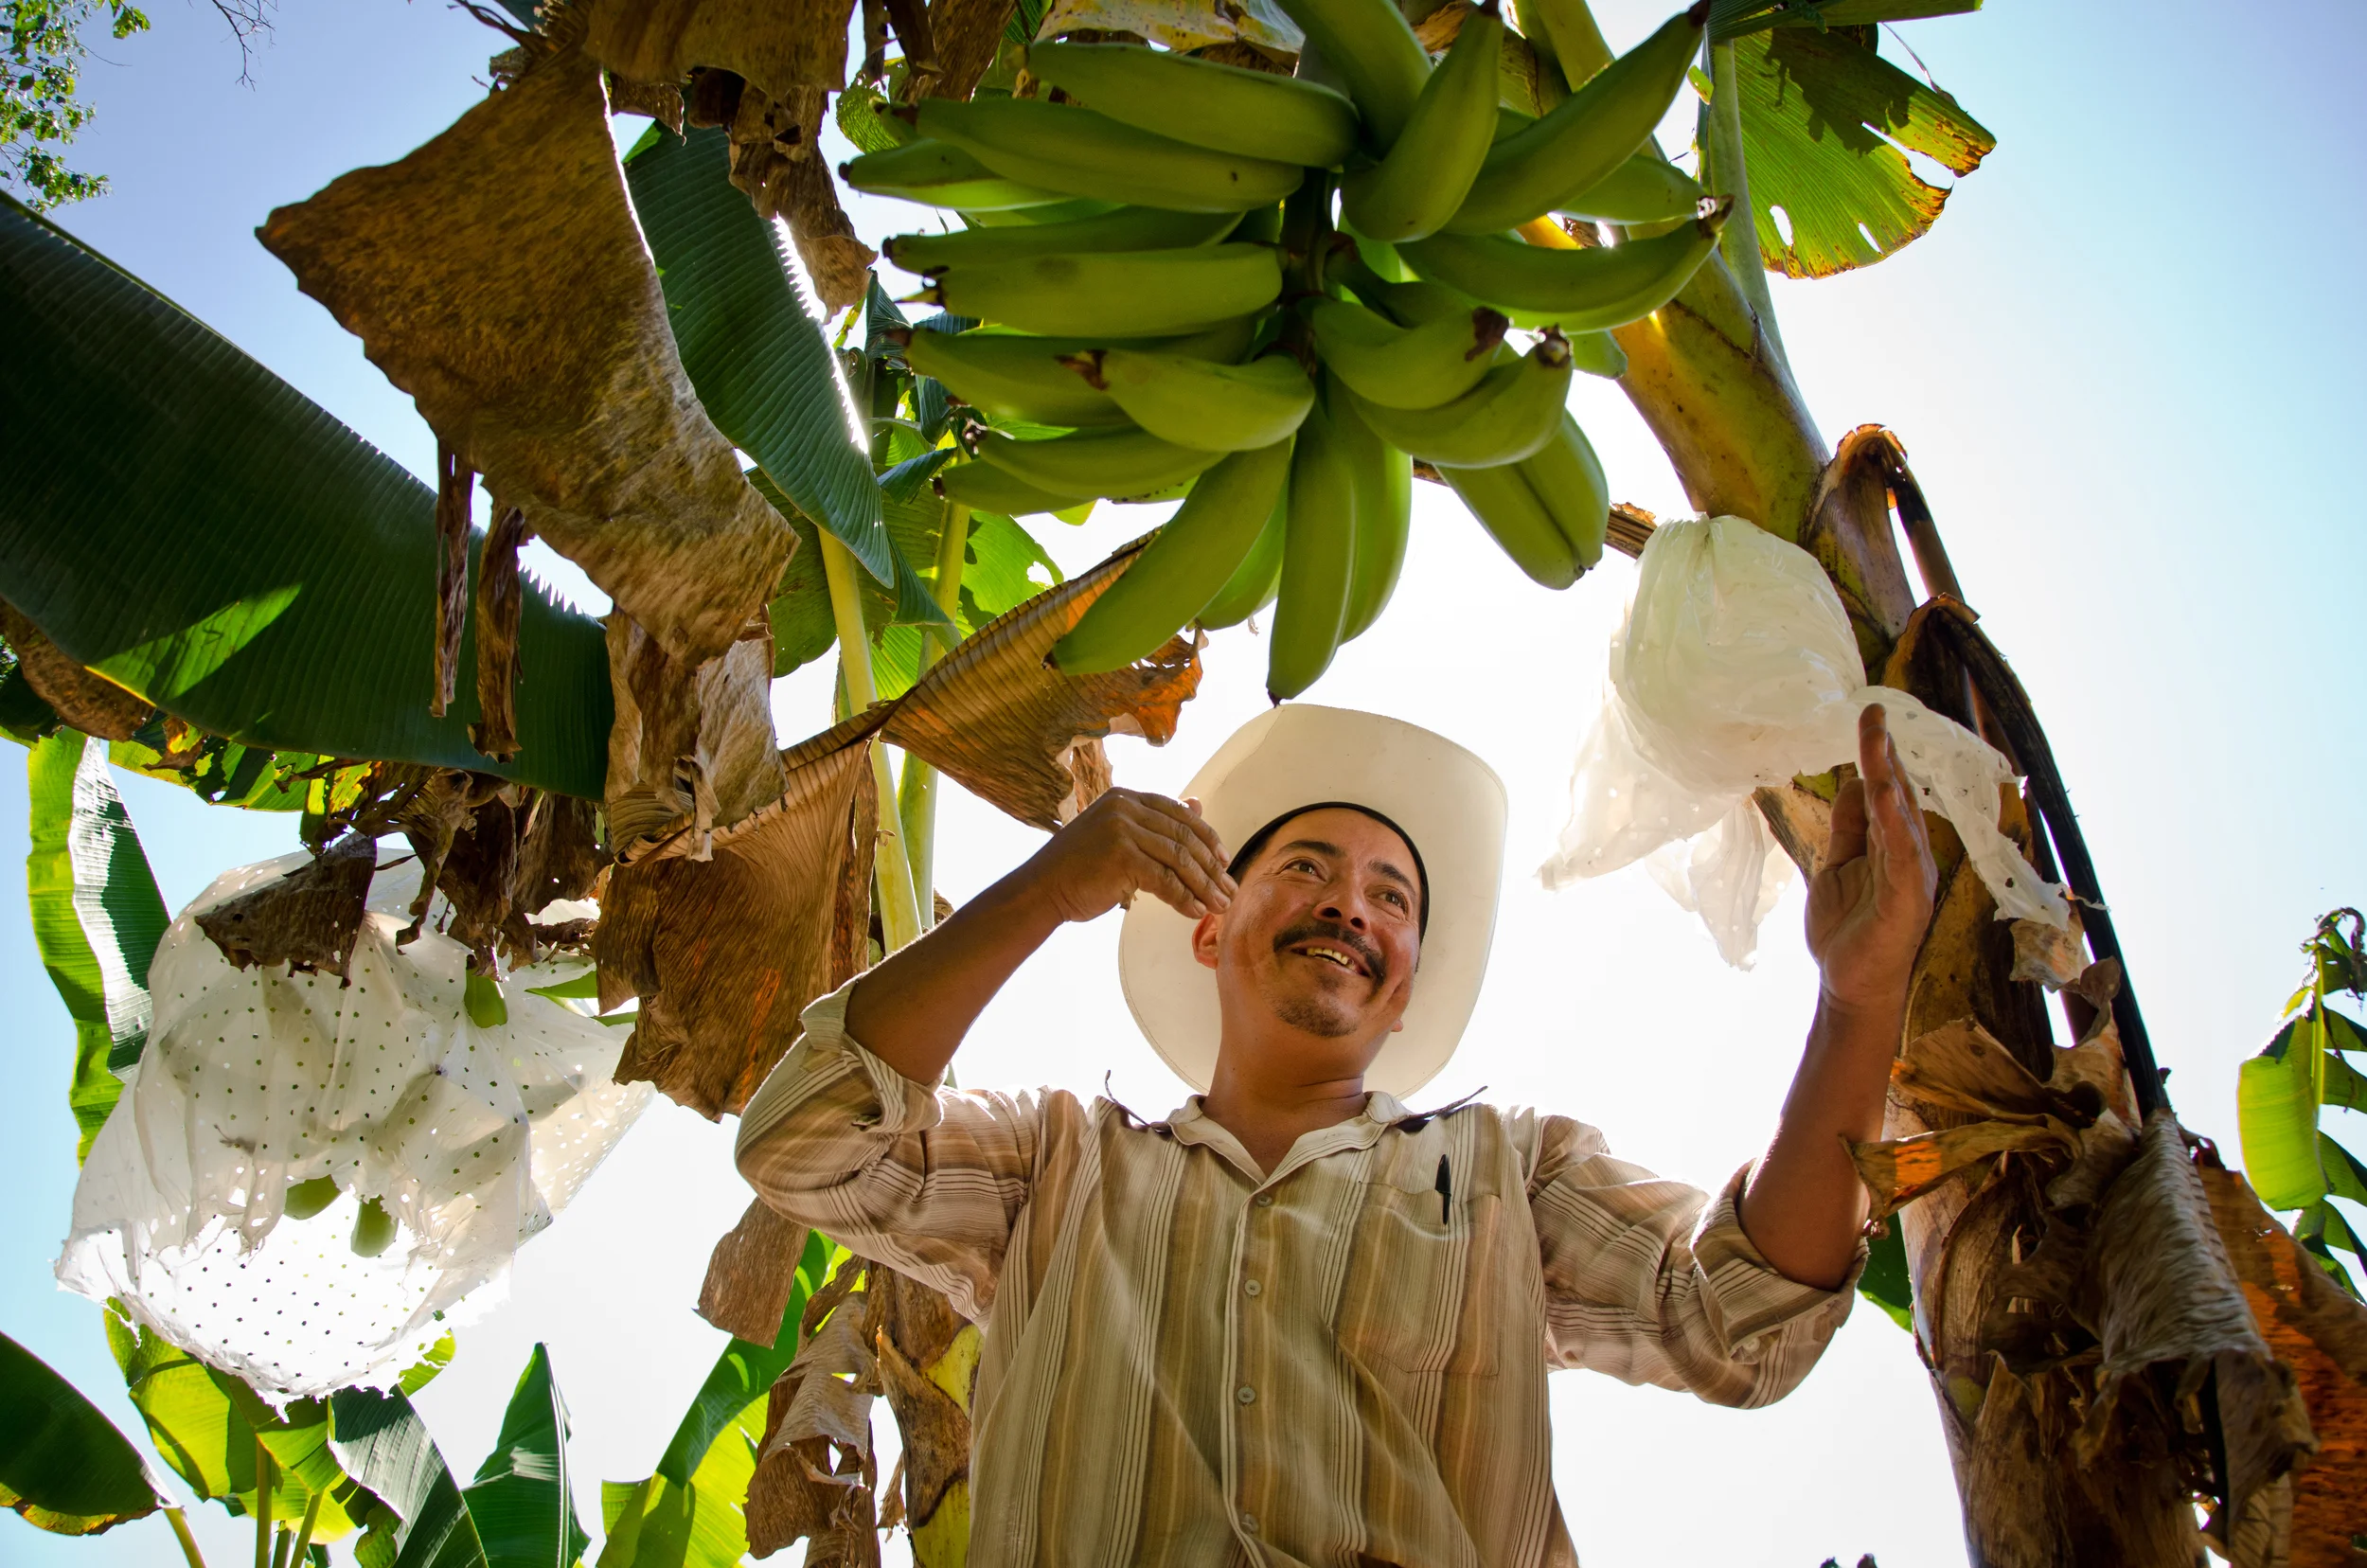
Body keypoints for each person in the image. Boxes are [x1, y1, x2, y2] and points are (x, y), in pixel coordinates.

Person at [736, 700, 1937, 1567]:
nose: (1347, 903)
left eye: (1391, 895)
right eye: (1305, 865)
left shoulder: (1510, 1179)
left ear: (1404, 985)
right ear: (1210, 924)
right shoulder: (1054, 1166)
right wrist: (1046, 889)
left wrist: (1858, 1000)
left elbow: (1742, 1323)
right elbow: (802, 1140)